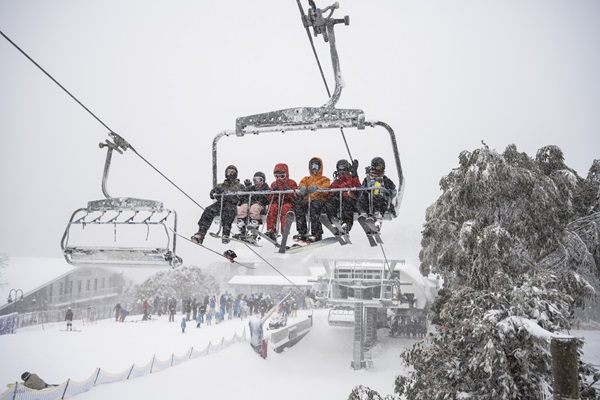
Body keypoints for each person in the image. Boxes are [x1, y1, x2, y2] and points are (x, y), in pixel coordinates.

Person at [191, 165, 245, 244]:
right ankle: (201, 233)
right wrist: (215, 192)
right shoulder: (221, 185)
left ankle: (225, 234)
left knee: (228, 211)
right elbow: (212, 195)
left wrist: (230, 197)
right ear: (226, 173)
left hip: (232, 204)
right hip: (220, 203)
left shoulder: (240, 186)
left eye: (233, 172)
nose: (231, 174)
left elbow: (242, 197)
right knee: (209, 210)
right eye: (230, 172)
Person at [293, 156, 330, 242]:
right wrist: (302, 188)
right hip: (308, 200)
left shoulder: (324, 179)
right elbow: (302, 184)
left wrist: (317, 188)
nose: (314, 169)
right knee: (298, 206)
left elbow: (326, 188)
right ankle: (301, 232)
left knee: (314, 207)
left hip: (319, 200)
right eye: (312, 166)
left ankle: (316, 233)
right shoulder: (306, 179)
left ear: (320, 167)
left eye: (316, 166)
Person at [323, 159, 361, 233]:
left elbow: (358, 188)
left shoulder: (352, 179)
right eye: (340, 170)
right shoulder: (337, 182)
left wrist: (355, 173)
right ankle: (334, 220)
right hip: (340, 203)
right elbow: (330, 193)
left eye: (344, 169)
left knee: (347, 201)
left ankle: (347, 224)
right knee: (330, 201)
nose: (342, 172)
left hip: (351, 202)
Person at [265, 163, 298, 241]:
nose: (279, 178)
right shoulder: (274, 184)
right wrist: (273, 193)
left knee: (285, 209)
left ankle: (284, 229)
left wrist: (288, 192)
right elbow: (270, 199)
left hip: (288, 202)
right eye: (277, 176)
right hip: (277, 202)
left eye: (282, 176)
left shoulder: (292, 183)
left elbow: (295, 196)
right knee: (272, 208)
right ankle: (271, 230)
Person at [236, 171, 270, 239]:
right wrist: (247, 188)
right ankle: (241, 227)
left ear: (263, 180)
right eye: (255, 180)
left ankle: (254, 229)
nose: (257, 182)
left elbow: (265, 198)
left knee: (254, 208)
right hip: (250, 204)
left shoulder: (265, 188)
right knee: (242, 208)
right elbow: (244, 197)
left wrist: (257, 199)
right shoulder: (252, 188)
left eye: (259, 180)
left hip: (260, 205)